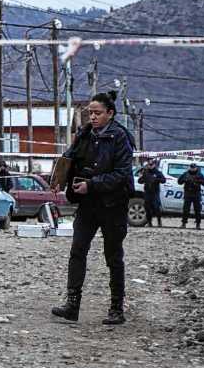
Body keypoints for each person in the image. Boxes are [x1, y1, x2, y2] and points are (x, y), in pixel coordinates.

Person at [51, 91, 135, 326]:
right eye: (90, 113)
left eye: (98, 113)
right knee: (77, 251)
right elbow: (68, 157)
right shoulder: (84, 134)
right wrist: (58, 178)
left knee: (113, 256)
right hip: (87, 205)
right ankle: (72, 305)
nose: (93, 117)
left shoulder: (120, 137)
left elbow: (122, 174)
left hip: (113, 204)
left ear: (110, 113)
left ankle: (116, 309)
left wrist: (93, 184)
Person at [178, 163, 204, 230]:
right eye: (191, 167)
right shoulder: (186, 174)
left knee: (197, 210)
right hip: (188, 193)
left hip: (196, 194)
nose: (192, 169)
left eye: (194, 168)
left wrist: (198, 181)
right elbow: (179, 182)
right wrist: (185, 180)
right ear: (189, 168)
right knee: (186, 209)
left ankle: (198, 224)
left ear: (196, 168)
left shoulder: (199, 174)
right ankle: (184, 223)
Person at [137, 159, 166, 227]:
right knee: (147, 208)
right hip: (147, 192)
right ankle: (149, 222)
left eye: (151, 164)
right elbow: (140, 181)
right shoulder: (146, 172)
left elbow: (163, 180)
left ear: (154, 165)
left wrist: (156, 179)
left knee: (156, 207)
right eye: (149, 165)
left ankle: (159, 222)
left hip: (155, 193)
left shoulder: (158, 172)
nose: (150, 166)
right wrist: (141, 177)